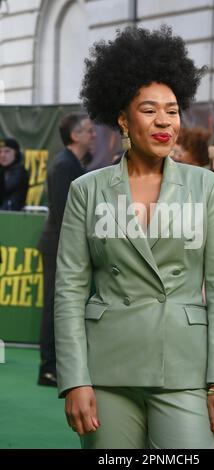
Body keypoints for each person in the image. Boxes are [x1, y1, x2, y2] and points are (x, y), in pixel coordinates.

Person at [54, 26, 214, 449]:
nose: (164, 122)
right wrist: (75, 379)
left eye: (173, 111)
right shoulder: (87, 190)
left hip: (186, 370)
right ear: (123, 118)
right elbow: (69, 290)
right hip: (106, 372)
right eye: (149, 109)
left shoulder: (208, 187)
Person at [37, 112, 96, 387]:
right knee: (54, 305)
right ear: (75, 135)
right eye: (88, 130)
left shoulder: (73, 164)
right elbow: (64, 214)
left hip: (64, 247)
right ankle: (48, 368)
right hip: (58, 246)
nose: (93, 134)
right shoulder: (64, 166)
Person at [0, 138, 29, 211]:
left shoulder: (19, 171)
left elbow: (7, 189)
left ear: (16, 153)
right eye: (0, 152)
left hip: (11, 216)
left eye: (7, 151)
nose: (2, 155)